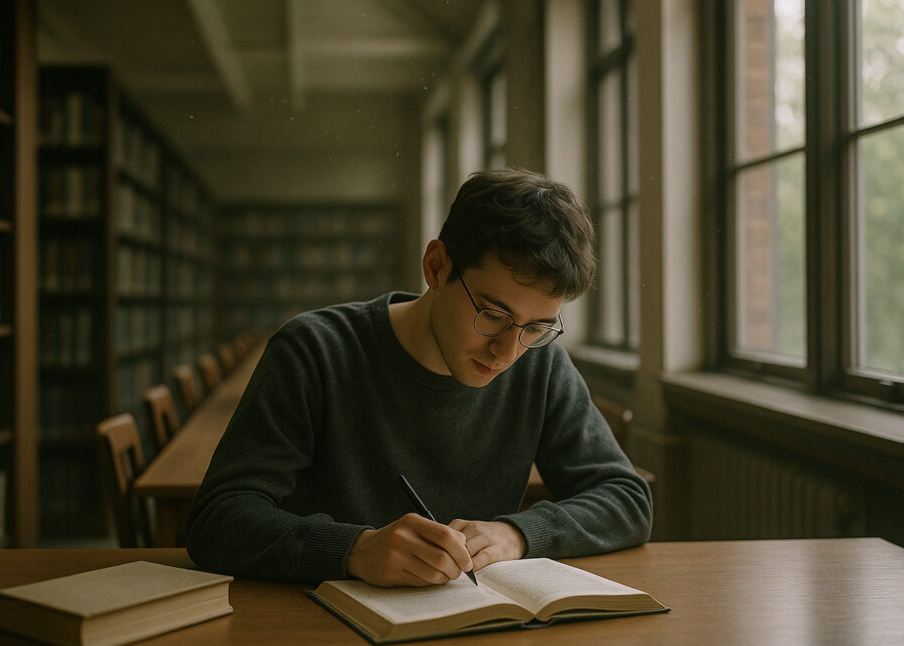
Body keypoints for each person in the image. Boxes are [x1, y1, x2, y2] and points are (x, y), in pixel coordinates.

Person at [186, 168, 652, 587]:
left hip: (472, 632)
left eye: (536, 327)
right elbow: (216, 519)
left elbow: (626, 498)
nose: (508, 352)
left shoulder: (540, 364)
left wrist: (518, 534)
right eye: (492, 314)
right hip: (322, 640)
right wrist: (352, 549)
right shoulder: (314, 351)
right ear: (436, 266)